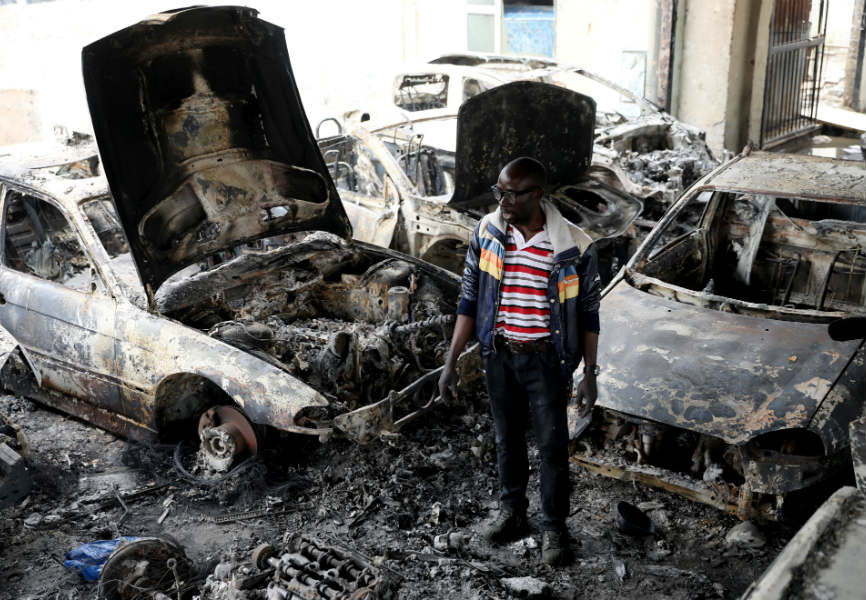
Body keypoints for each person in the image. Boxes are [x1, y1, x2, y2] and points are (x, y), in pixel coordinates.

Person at [438, 156, 600, 566]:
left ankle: (553, 528)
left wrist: (589, 374)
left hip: (546, 361)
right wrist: (452, 360)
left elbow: (589, 315)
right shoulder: (488, 232)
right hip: (500, 355)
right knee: (506, 439)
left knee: (552, 446)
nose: (503, 200)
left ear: (537, 194)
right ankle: (513, 513)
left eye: (512, 193)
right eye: (499, 191)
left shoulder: (574, 246)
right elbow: (470, 296)